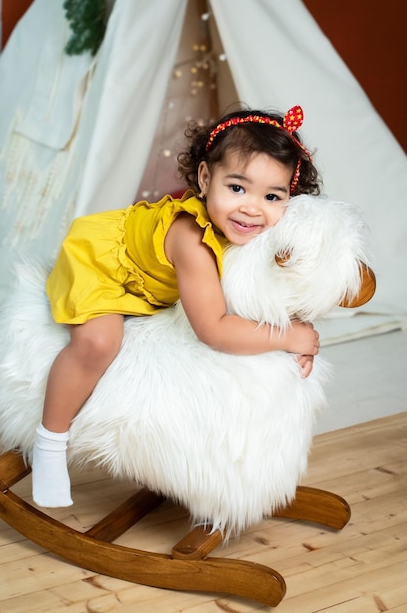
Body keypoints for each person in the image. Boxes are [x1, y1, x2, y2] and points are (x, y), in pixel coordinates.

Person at [32, 105, 322, 508]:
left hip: (150, 280)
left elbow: (263, 293)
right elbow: (215, 329)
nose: (252, 208)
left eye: (272, 196)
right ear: (206, 178)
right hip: (103, 265)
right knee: (99, 342)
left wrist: (296, 329)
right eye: (237, 188)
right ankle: (49, 443)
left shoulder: (255, 233)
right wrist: (289, 336)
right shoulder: (192, 239)